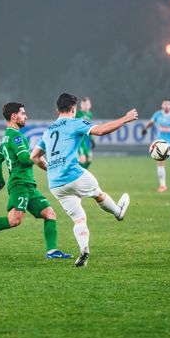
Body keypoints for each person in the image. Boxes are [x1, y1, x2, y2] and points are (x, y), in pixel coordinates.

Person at [30, 93, 138, 267]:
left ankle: (84, 249)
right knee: (99, 194)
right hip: (74, 175)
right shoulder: (75, 122)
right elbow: (100, 131)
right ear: (74, 109)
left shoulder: (48, 131)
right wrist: (125, 119)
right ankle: (118, 212)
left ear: (57, 110)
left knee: (79, 219)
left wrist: (51, 168)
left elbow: (34, 157)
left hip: (56, 184)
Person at [0, 102, 71, 259]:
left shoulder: (7, 137)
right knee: (14, 220)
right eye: (23, 113)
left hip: (28, 185)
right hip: (19, 185)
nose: (26, 116)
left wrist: (0, 180)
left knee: (49, 213)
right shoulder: (16, 137)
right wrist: (42, 149)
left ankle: (52, 251)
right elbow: (26, 160)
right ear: (14, 116)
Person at [75, 96, 95, 168]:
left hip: (86, 140)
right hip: (79, 140)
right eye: (84, 104)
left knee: (89, 159)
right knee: (82, 159)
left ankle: (83, 172)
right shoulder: (77, 114)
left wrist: (91, 139)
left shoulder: (90, 114)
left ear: (90, 105)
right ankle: (78, 173)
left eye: (87, 104)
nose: (86, 106)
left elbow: (89, 127)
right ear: (81, 105)